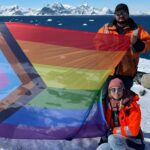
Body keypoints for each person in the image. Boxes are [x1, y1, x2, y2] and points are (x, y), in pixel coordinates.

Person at [96, 3, 150, 94]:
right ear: (115, 15)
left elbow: (148, 43)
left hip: (127, 73)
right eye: (118, 13)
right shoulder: (106, 28)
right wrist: (105, 48)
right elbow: (96, 42)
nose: (121, 16)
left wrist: (139, 44)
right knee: (105, 97)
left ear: (128, 14)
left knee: (124, 99)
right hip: (108, 71)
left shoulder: (137, 30)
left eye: (124, 13)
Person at [96, 77, 144, 150]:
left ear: (123, 90)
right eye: (113, 89)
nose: (116, 92)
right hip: (115, 140)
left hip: (133, 141)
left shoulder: (132, 106)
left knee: (112, 139)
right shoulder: (107, 105)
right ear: (109, 91)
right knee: (101, 148)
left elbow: (133, 130)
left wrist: (113, 131)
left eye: (119, 89)